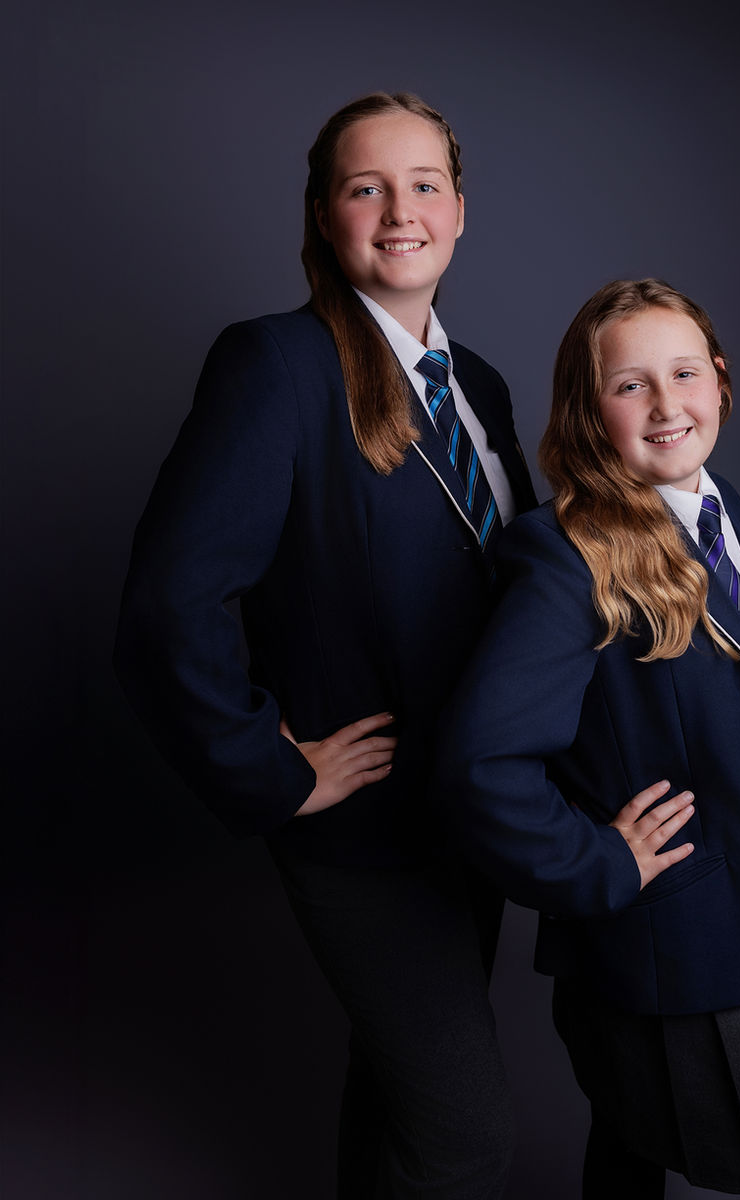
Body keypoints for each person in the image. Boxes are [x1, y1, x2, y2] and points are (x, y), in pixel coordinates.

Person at [114, 92, 537, 1199]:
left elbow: (515, 601)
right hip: (366, 833)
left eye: (423, 185)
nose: (399, 212)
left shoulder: (478, 384)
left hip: (473, 816)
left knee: (396, 1095)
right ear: (322, 213)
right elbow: (169, 603)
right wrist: (270, 768)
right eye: (366, 188)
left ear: (459, 210)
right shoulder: (276, 364)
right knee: (464, 1134)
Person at [437, 279, 740, 1199]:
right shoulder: (566, 557)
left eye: (683, 372)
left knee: (628, 1152)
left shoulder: (723, 513)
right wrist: (599, 864)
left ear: (719, 381)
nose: (666, 403)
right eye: (629, 384)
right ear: (588, 411)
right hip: (680, 933)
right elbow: (479, 765)